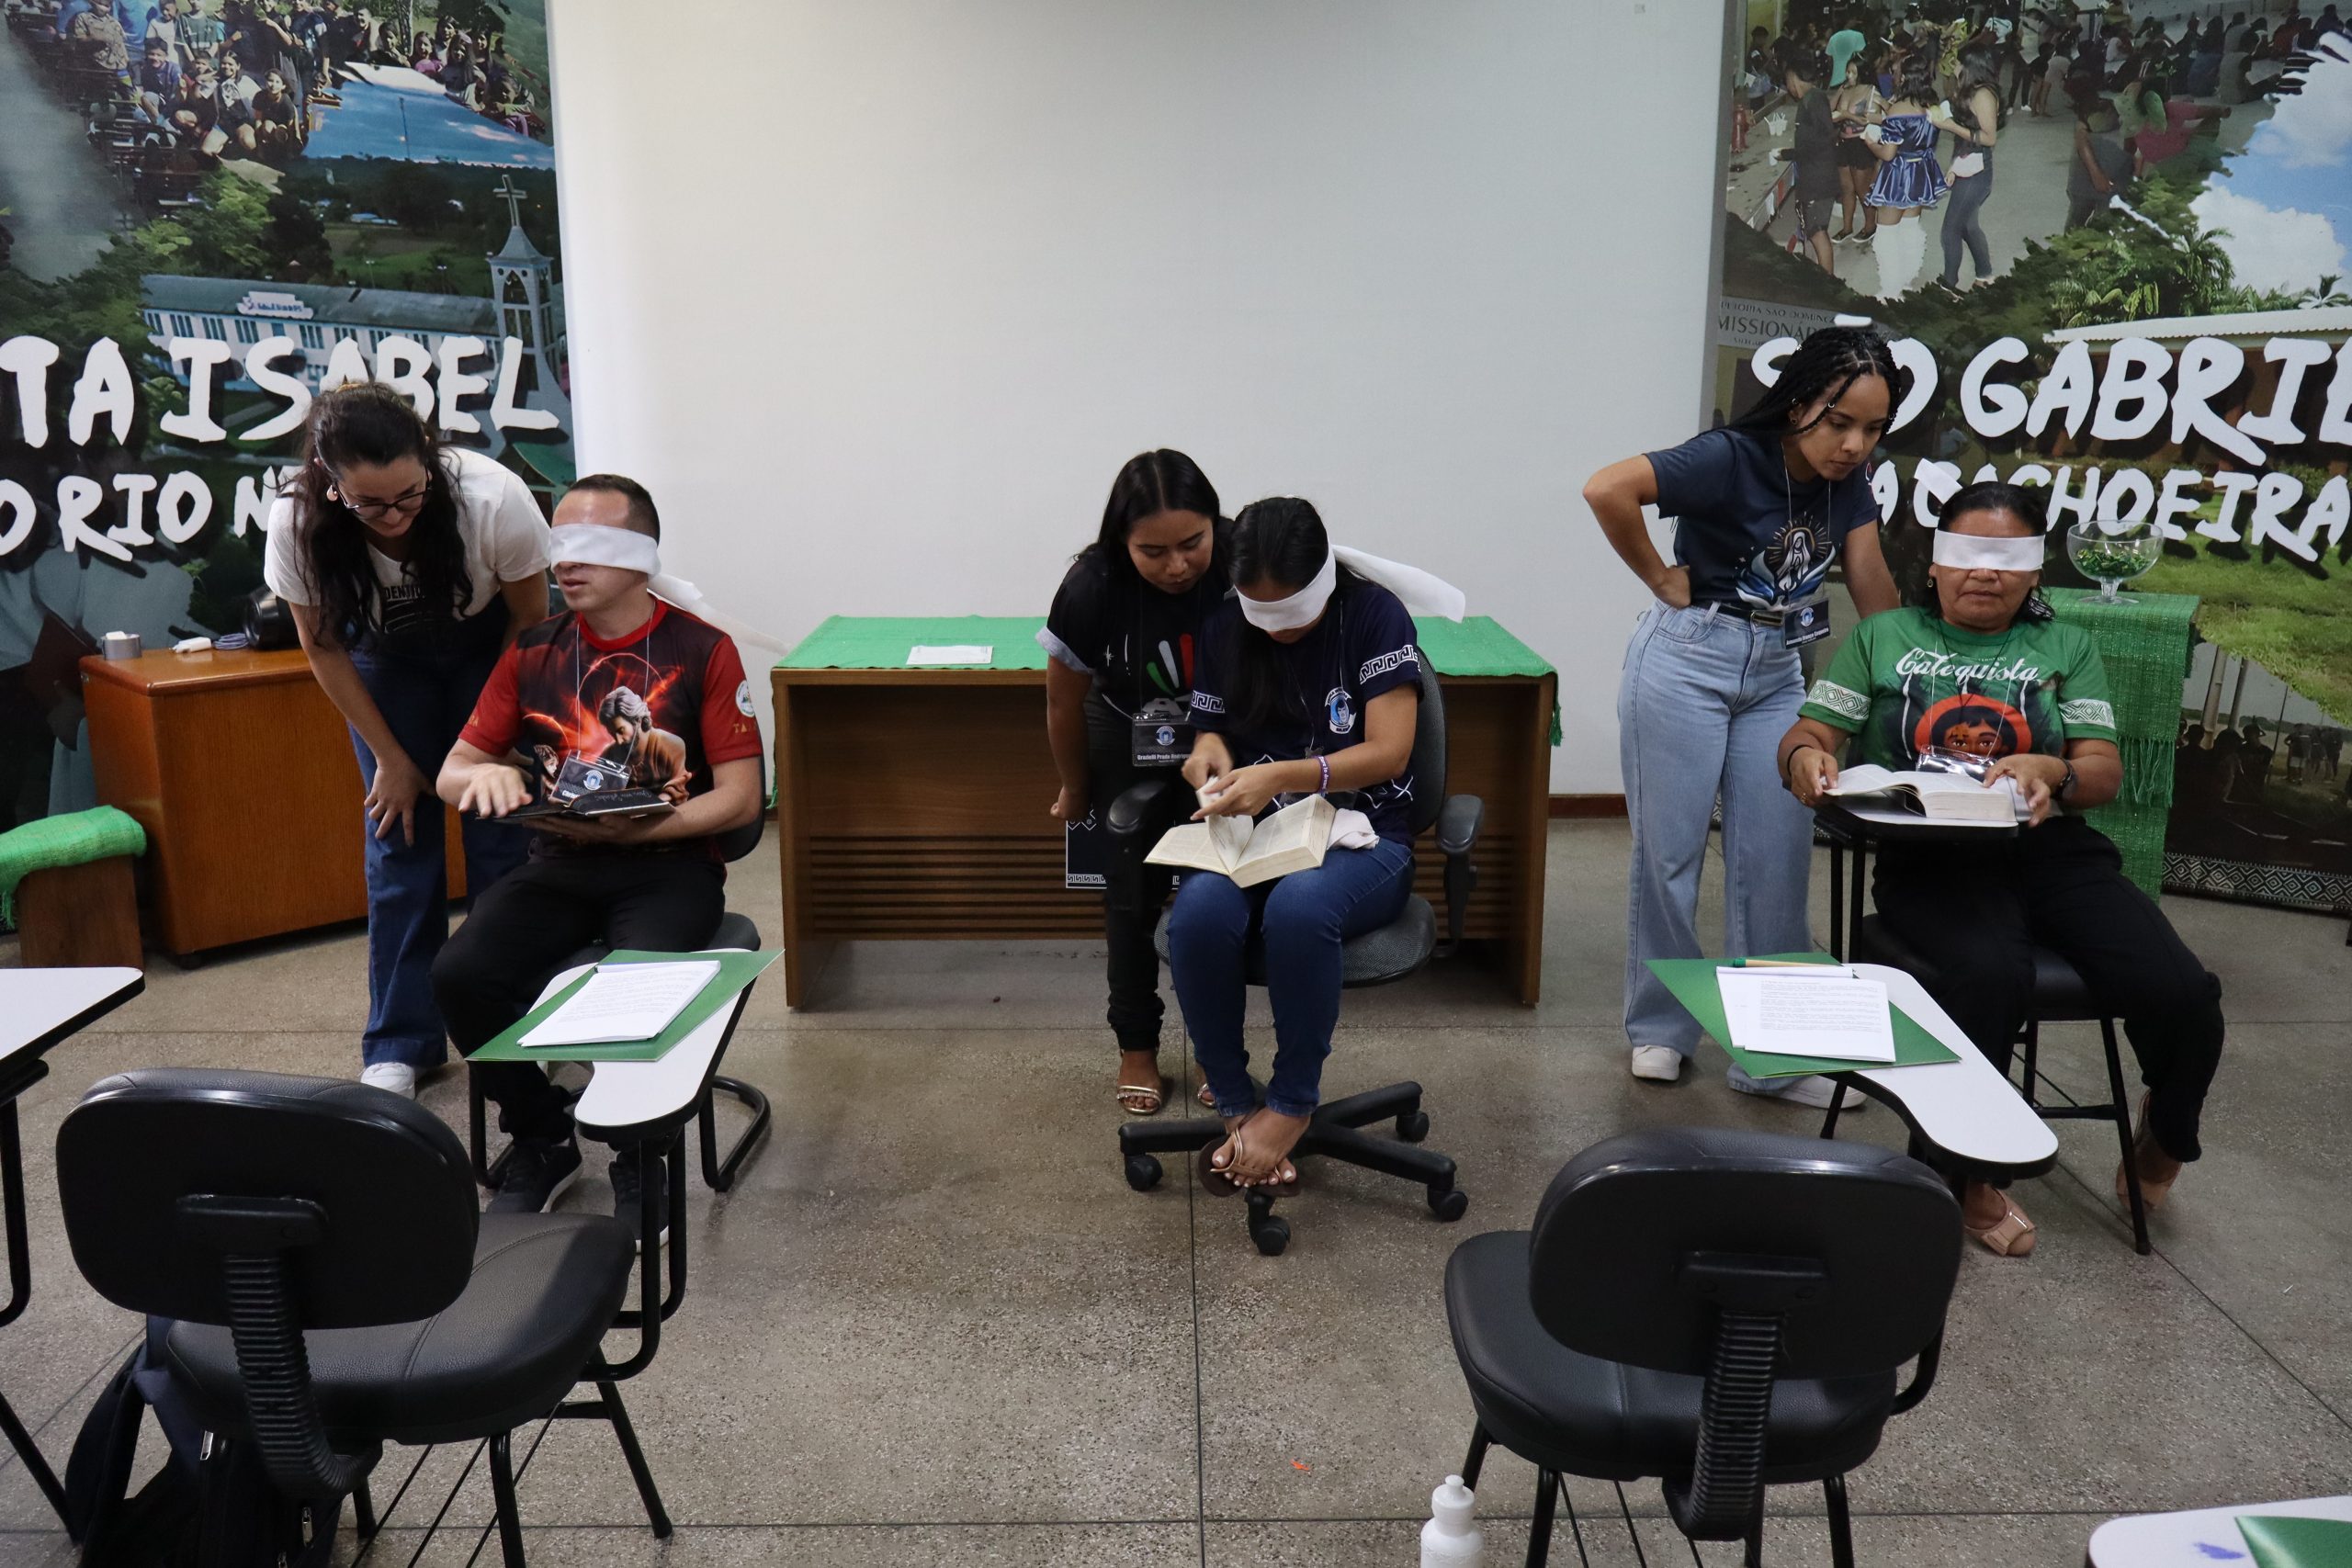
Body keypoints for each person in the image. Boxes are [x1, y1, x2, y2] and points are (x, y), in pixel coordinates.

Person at [1780, 482, 2224, 1257]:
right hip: (1930, 857)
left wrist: (2054, 768)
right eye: (1967, 553)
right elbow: (1809, 732)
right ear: (1933, 564)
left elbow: (2103, 771)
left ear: (2035, 571)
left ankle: (2167, 1131)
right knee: (1986, 973)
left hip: (2050, 848)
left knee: (2183, 990)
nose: (1984, 571)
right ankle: (1963, 1173)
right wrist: (1804, 758)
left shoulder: (2066, 646)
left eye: (2006, 556)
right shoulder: (1882, 636)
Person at [1583, 325, 1903, 1108]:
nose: (1854, 445)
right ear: (1799, 404)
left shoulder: (1849, 483)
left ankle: (1776, 1056)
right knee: (1671, 854)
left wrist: (1907, 674)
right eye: (1839, 423)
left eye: (1872, 429)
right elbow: (1606, 488)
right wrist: (1660, 576)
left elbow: (1870, 582)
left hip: (1779, 671)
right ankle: (1661, 1027)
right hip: (1687, 659)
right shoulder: (1728, 456)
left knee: (1777, 857)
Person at [433, 477, 763, 1220]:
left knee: (632, 991)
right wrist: (483, 778)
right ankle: (541, 1133)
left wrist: (642, 829)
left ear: (641, 554)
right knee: (461, 974)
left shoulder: (702, 649)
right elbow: (455, 769)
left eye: (589, 545)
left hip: (671, 868)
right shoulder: (533, 650)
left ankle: (639, 1152)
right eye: (559, 545)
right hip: (560, 864)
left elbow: (741, 799)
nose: (565, 563)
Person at [263, 382, 549, 1100]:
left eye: (409, 495)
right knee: (399, 836)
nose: (393, 517)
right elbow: (322, 646)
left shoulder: (493, 496)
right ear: (330, 481)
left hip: (490, 650)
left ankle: (514, 1024)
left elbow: (531, 618)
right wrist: (392, 759)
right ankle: (400, 1041)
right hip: (384, 662)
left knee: (501, 830)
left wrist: (490, 739)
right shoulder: (297, 522)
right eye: (370, 504)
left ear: (428, 456)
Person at [1165, 499, 1430, 1190]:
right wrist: (1209, 755)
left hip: (1365, 835)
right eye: (1262, 612)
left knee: (1299, 909)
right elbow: (1211, 728)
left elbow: (1391, 753)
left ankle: (1290, 1103)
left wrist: (1283, 774)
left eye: (1292, 611)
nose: (1278, 629)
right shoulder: (1226, 625)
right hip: (1261, 833)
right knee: (1197, 914)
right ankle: (1234, 1101)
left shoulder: (1374, 617)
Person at [1040, 450, 1231, 1118]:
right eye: (1154, 551)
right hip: (1125, 732)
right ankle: (1137, 1044)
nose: (1177, 565)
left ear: (1216, 524)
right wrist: (1075, 786)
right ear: (1122, 541)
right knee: (1130, 899)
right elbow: (1062, 702)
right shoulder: (1091, 584)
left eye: (1192, 543)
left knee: (1219, 890)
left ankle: (1216, 1044)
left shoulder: (1240, 557)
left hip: (1221, 735)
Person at [1861, 52, 1947, 299]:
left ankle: (1891, 289)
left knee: (1886, 234)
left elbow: (1888, 154)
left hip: (1898, 175)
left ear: (1904, 76)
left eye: (1896, 71)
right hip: (1921, 171)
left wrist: (1870, 143)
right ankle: (1908, 277)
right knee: (1910, 228)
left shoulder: (1898, 108)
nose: (1893, 74)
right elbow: (1914, 128)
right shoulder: (1933, 104)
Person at [1932, 44, 2004, 295]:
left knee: (1950, 230)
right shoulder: (1970, 90)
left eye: (1958, 62)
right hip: (1967, 163)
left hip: (1977, 169)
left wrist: (1951, 126)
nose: (1955, 66)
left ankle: (1949, 285)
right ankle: (1985, 274)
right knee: (1968, 226)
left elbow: (1989, 138)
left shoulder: (1983, 95)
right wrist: (1954, 165)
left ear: (1971, 66)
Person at [1778, 44, 1841, 273]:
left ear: (1794, 77)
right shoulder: (1814, 98)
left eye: (1788, 80)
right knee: (1815, 230)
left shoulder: (1812, 101)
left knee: (1817, 233)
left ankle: (1828, 284)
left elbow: (1819, 142)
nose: (1788, 86)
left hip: (1818, 179)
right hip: (1819, 175)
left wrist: (1786, 154)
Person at [1829, 39, 1883, 244]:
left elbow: (1871, 119)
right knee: (1846, 188)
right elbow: (1830, 110)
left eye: (1853, 72)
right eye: (1847, 71)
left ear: (1862, 73)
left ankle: (1870, 225)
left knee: (1862, 189)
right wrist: (1839, 92)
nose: (1848, 75)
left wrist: (1846, 115)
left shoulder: (1870, 91)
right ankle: (1847, 227)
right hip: (1843, 142)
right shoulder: (1846, 90)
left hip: (1861, 143)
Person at [2066, 100, 2133, 229]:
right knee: (2093, 223)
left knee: (2079, 222)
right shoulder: (2084, 133)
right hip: (2102, 187)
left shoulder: (2083, 132)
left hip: (2090, 186)